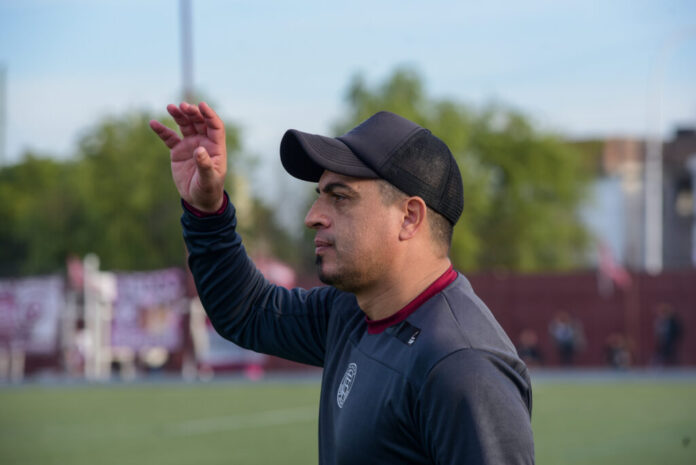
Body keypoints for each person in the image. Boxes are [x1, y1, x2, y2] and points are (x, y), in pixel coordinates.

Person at [150, 102, 534, 464]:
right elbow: (247, 312)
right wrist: (207, 210)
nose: (313, 216)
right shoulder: (353, 310)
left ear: (409, 218)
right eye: (320, 196)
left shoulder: (462, 366)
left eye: (340, 197)